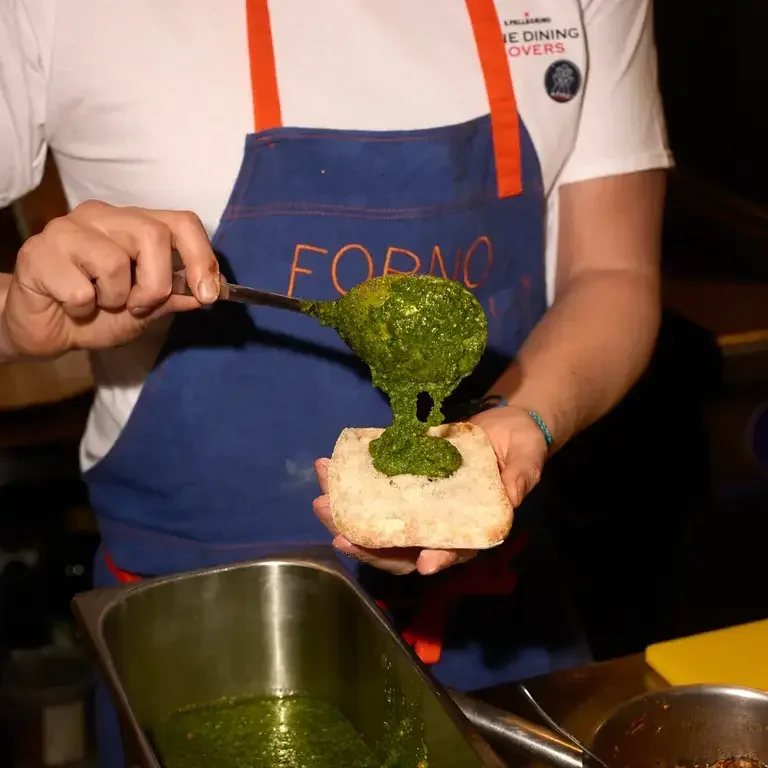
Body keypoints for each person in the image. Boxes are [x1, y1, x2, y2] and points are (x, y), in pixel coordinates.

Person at [1, 0, 671, 765]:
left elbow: (613, 274)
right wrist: (12, 321)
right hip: (196, 650)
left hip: (504, 635)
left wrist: (527, 420)